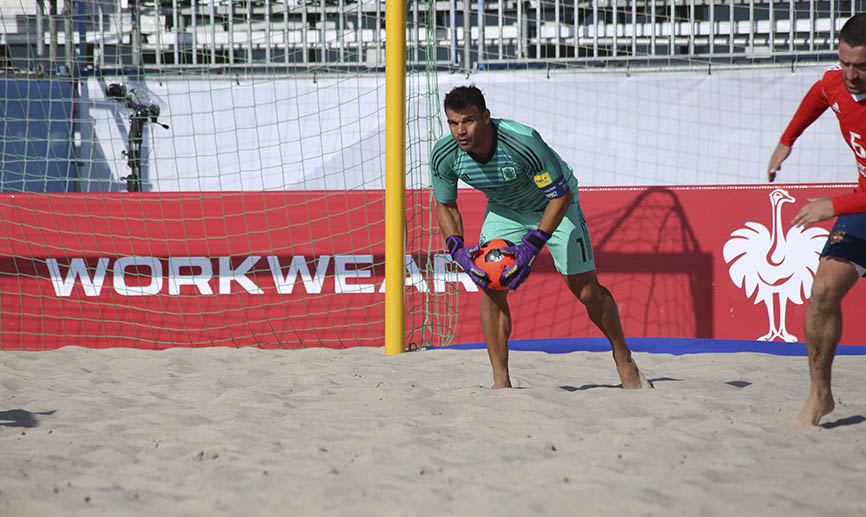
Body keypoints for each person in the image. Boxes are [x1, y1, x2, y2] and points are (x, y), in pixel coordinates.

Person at [430, 85, 650, 390]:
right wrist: (456, 248)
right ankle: (500, 382)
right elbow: (446, 204)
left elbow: (558, 196)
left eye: (468, 120)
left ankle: (622, 355)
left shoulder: (522, 142)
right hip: (505, 210)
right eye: (453, 123)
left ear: (486, 117)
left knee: (586, 291)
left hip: (554, 205)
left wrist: (532, 246)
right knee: (492, 286)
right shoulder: (445, 154)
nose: (460, 131)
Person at [767, 13, 866, 427]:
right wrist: (786, 141)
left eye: (861, 66)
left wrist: (834, 206)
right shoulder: (836, 83)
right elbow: (818, 95)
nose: (850, 74)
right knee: (823, 287)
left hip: (855, 203)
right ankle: (819, 394)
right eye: (844, 63)